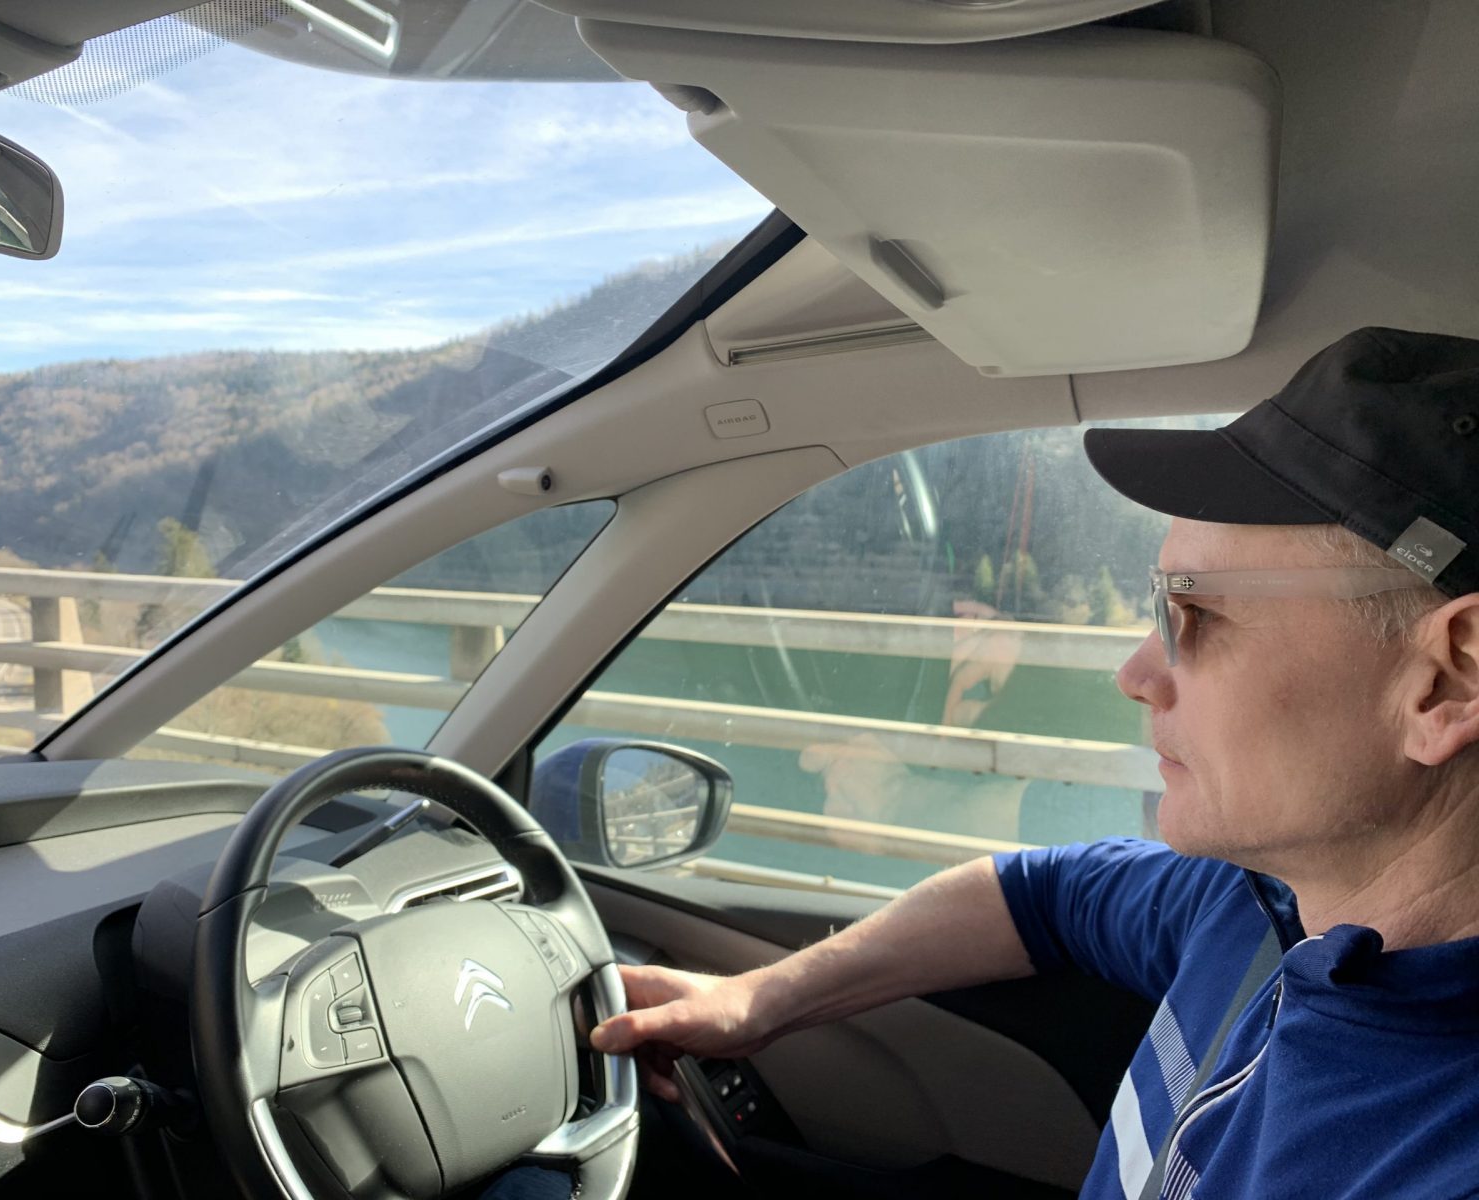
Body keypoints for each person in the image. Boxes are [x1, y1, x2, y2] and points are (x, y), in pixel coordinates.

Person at [590, 326, 1479, 1198]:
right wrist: (760, 1002)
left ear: (1448, 679)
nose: (1136, 673)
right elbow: (1039, 895)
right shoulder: (1256, 903)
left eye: (1193, 614)